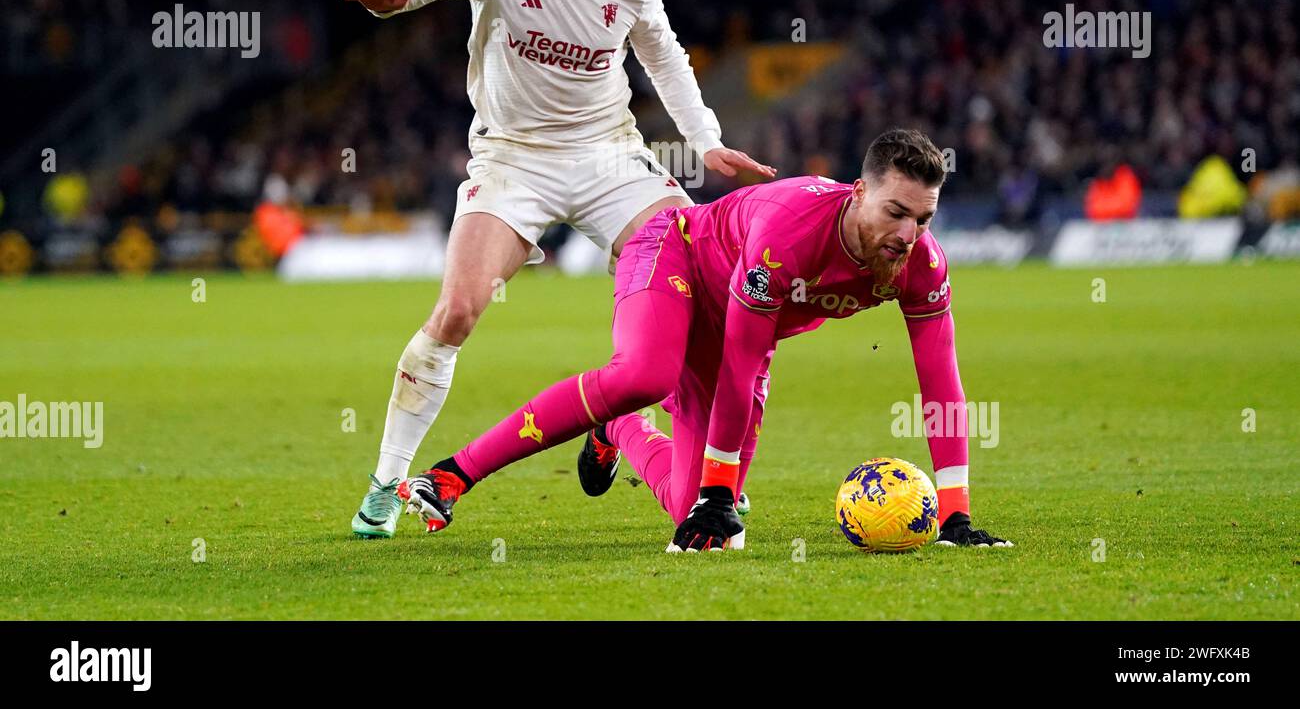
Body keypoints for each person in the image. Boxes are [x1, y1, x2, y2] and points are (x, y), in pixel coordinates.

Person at [343, 0, 774, 537]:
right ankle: (387, 484)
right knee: (456, 312)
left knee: (700, 282)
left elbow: (663, 56)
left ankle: (700, 473)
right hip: (513, 159)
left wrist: (705, 140)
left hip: (608, 155)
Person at [404, 129, 1013, 551]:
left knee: (691, 513)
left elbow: (940, 381)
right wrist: (721, 494)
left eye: (923, 219)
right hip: (678, 256)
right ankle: (452, 474)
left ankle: (619, 428)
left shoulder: (923, 266)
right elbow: (742, 363)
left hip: (737, 323)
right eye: (896, 212)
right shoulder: (790, 234)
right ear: (858, 192)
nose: (908, 233)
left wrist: (956, 512)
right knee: (646, 376)